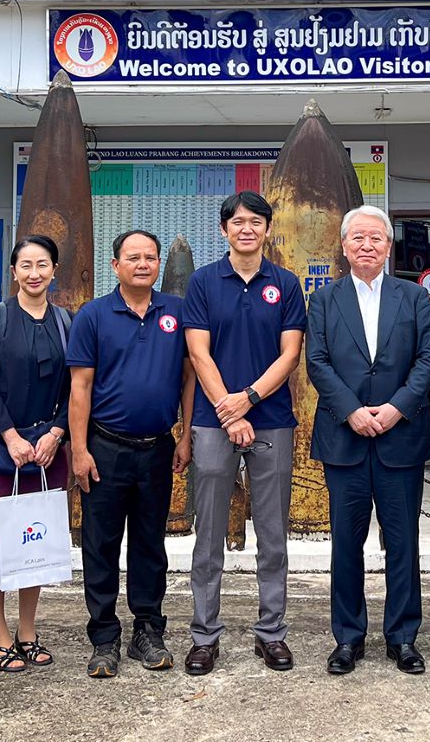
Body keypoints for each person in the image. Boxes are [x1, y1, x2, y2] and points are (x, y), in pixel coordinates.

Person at [307, 205, 430, 675]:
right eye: (358, 238)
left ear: (388, 246)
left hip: (399, 436)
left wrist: (396, 407)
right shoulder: (324, 300)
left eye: (376, 238)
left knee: (403, 543)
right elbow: (317, 362)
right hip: (345, 439)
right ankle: (348, 637)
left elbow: (427, 359)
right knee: (347, 543)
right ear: (344, 246)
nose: (367, 245)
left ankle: (402, 637)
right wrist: (353, 411)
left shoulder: (413, 296)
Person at [180, 191, 305, 675]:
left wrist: (248, 400)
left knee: (272, 534)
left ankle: (271, 633)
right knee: (208, 534)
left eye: (256, 222)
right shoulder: (204, 282)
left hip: (271, 418)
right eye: (237, 222)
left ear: (267, 230)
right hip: (213, 421)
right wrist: (229, 413)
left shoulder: (286, 283)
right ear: (224, 230)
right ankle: (204, 636)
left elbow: (289, 354)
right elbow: (198, 353)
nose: (247, 229)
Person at [66, 230, 195, 679]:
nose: (143, 264)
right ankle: (104, 638)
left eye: (151, 257)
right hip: (104, 448)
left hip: (157, 448)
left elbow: (188, 378)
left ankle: (148, 630)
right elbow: (79, 386)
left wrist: (184, 435)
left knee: (149, 545)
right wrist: (79, 449)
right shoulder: (94, 315)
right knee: (100, 546)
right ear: (115, 264)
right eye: (133, 257)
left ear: (159, 265)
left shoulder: (177, 312)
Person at [0, 235, 73, 672]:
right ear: (14, 272)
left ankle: (28, 630)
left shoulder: (67, 320)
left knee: (35, 538)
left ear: (53, 271)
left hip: (48, 447)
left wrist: (57, 433)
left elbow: (77, 385)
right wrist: (11, 437)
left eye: (42, 264)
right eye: (25, 265)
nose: (34, 273)